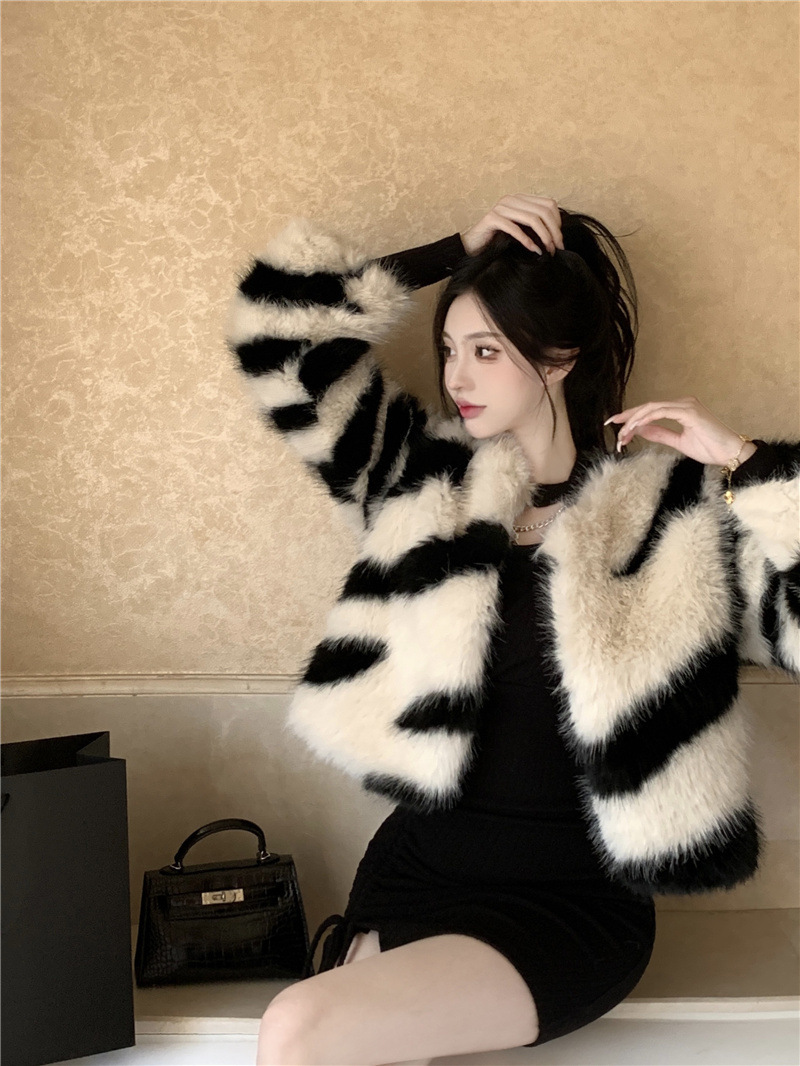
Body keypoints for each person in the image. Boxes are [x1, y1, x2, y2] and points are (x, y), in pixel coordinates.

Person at [225, 194, 800, 1066]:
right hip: (417, 873)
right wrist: (450, 254)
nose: (458, 377)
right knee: (315, 1032)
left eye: (487, 351)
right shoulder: (418, 483)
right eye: (451, 349)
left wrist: (747, 466)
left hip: (571, 905)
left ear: (559, 359)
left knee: (298, 1030)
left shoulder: (674, 517)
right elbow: (277, 338)